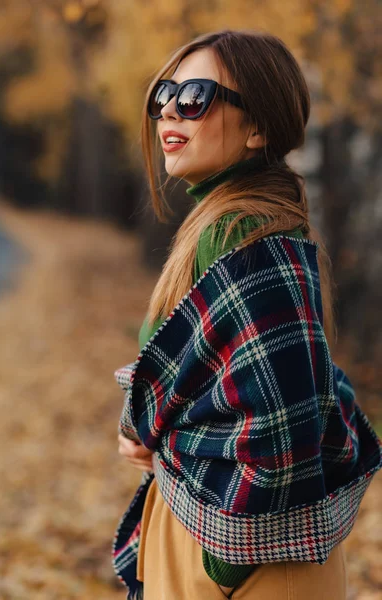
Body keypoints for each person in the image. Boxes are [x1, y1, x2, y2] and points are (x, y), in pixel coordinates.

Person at [113, 29, 382, 600]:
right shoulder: (236, 226)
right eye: (164, 95)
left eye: (195, 98)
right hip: (218, 542)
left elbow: (286, 419)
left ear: (257, 128)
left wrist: (222, 565)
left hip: (238, 559)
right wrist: (153, 433)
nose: (169, 112)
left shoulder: (241, 233)